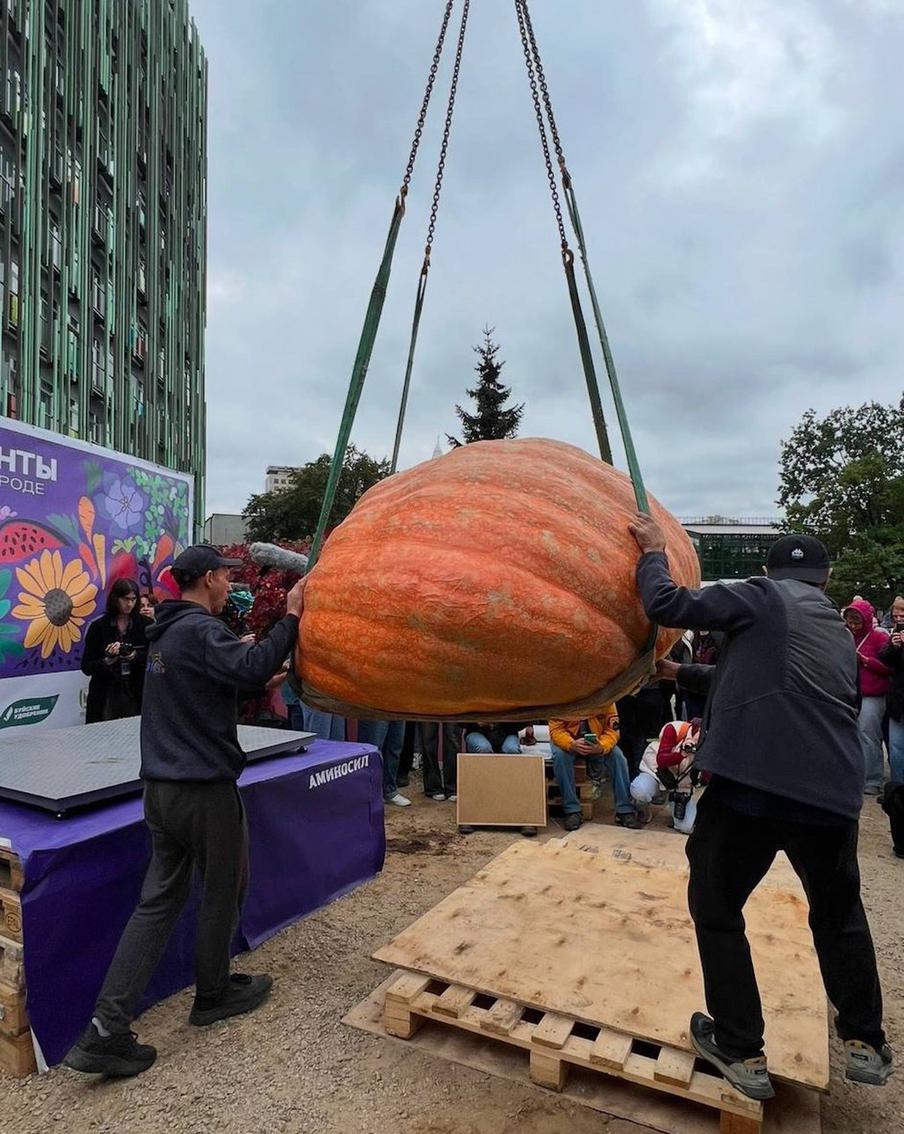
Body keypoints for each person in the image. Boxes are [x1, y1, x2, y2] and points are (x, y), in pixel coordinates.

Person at [630, 516, 892, 1098]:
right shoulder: (834, 630)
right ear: (824, 579)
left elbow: (666, 603)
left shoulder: (760, 595)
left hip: (753, 786)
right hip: (830, 796)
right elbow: (758, 677)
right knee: (838, 913)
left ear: (770, 573)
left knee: (717, 906)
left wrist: (653, 553)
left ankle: (740, 1046)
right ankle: (865, 1039)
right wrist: (680, 672)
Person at [64, 545, 307, 1077]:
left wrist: (250, 680)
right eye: (226, 577)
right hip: (203, 789)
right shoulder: (200, 630)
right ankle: (213, 993)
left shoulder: (167, 633)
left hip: (161, 788)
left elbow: (211, 686)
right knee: (224, 886)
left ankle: (106, 1027)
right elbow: (251, 662)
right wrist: (290, 617)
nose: (230, 586)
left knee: (157, 902)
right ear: (210, 579)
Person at [548, 706, 641, 832]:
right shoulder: (562, 695)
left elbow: (612, 730)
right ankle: (572, 810)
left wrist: (601, 747)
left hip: (598, 741)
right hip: (569, 741)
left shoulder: (607, 696)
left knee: (618, 758)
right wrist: (571, 744)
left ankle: (624, 810)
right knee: (560, 757)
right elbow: (556, 730)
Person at [81, 579, 148, 723]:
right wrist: (107, 660)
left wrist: (133, 655)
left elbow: (155, 658)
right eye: (125, 599)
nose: (129, 604)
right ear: (115, 598)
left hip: (136, 691)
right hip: (106, 694)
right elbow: (86, 666)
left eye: (133, 599)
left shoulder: (145, 625)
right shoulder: (98, 627)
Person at [843, 599, 892, 794]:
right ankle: (855, 777)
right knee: (851, 736)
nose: (853, 626)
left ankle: (872, 780)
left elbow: (889, 668)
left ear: (866, 619)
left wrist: (865, 661)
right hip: (851, 693)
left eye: (857, 622)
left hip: (873, 695)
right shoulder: (846, 635)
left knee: (869, 736)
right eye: (850, 621)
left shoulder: (880, 637)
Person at [630, 718, 702, 834]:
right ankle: (642, 808)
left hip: (681, 783)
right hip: (657, 772)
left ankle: (675, 808)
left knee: (687, 827)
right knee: (640, 790)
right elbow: (661, 760)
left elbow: (704, 778)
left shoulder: (708, 745)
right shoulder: (675, 729)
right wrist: (682, 754)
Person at [878, 596, 904, 784]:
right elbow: (886, 660)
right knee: (896, 748)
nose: (899, 621)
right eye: (895, 617)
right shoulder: (895, 633)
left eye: (902, 617)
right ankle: (897, 790)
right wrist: (894, 647)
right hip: (898, 701)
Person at [357, 719, 410, 806]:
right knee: (373, 751)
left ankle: (390, 791)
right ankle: (370, 796)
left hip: (398, 708)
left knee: (395, 748)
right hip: (375, 711)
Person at [464, 722, 530, 754]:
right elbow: (460, 722)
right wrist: (476, 723)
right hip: (476, 731)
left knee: (512, 749)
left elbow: (521, 723)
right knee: (483, 747)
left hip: (507, 732)